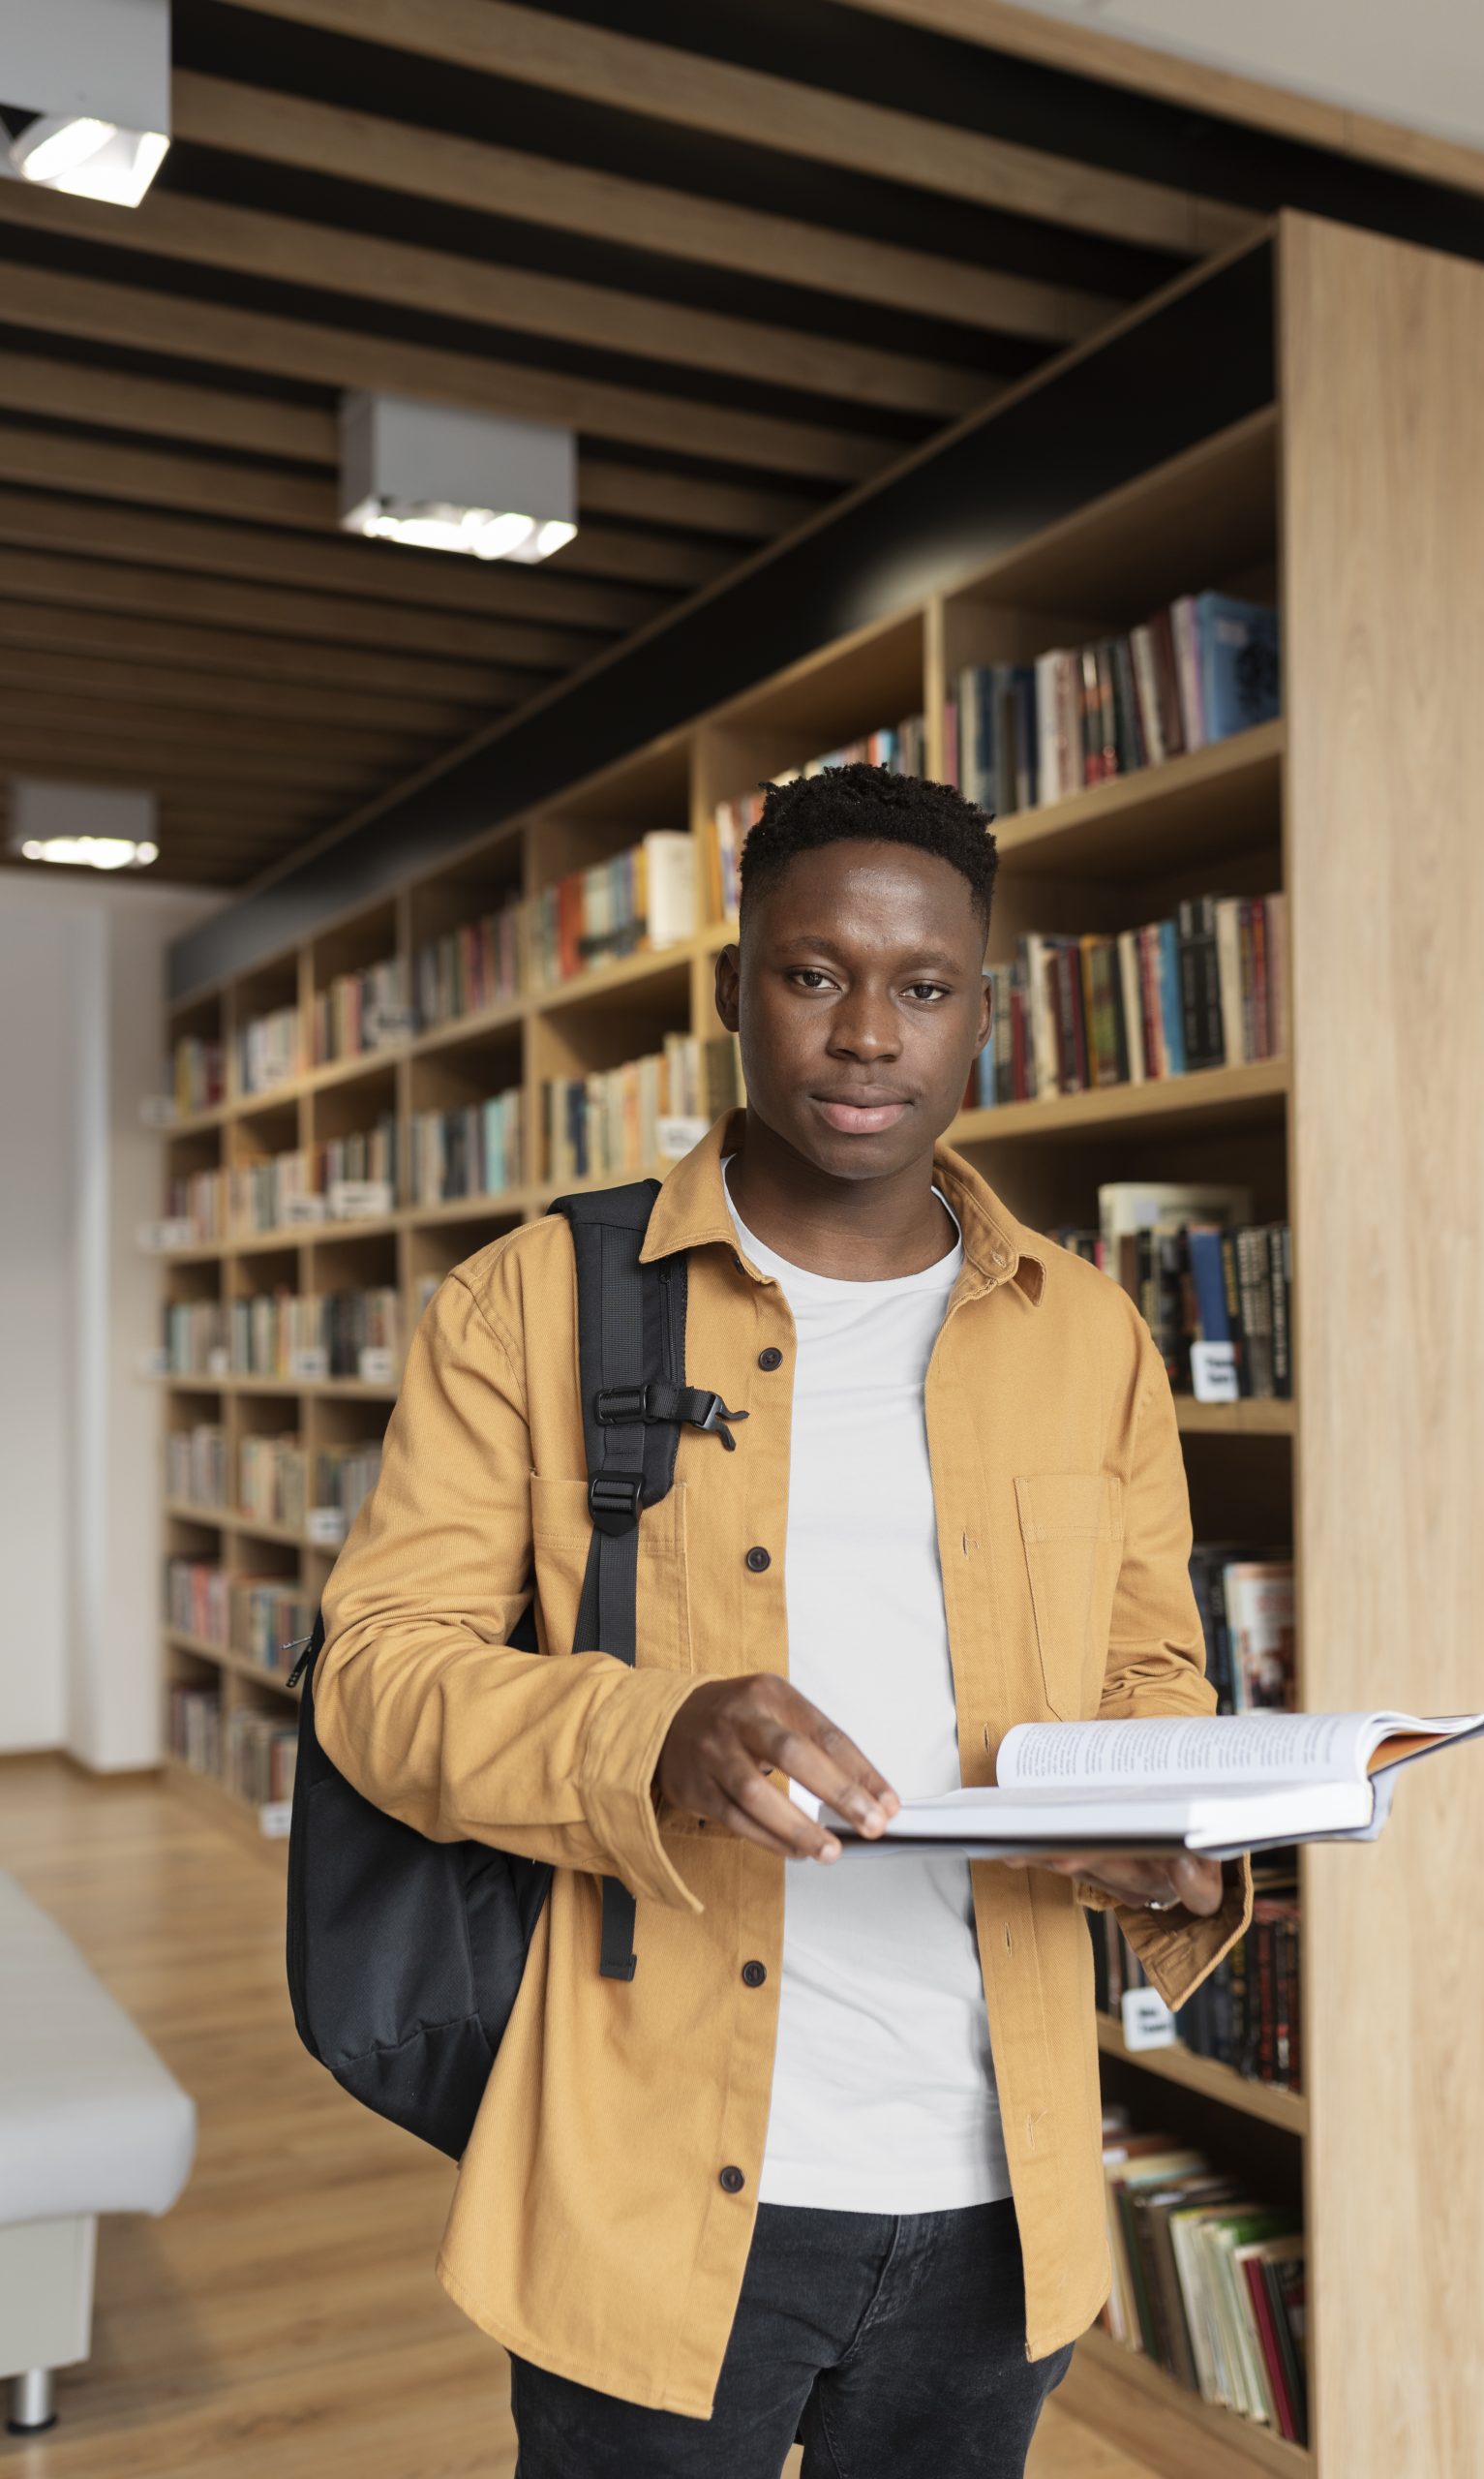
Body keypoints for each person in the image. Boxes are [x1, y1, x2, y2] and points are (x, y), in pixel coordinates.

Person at [314, 762, 1250, 2479]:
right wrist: (649, 1733)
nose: (867, 1037)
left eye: (922, 987)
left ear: (985, 1012)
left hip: (1000, 2188)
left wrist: (1172, 1844)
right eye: (815, 976)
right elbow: (375, 1677)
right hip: (654, 2175)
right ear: (735, 990)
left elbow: (1143, 1675)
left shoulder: (1089, 1335)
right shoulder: (533, 1301)